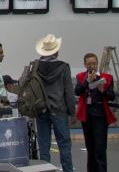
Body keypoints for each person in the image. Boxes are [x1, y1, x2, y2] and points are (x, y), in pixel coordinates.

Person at [33, 34, 76, 172]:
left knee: (44, 145)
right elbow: (68, 92)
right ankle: (67, 170)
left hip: (41, 109)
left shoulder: (36, 66)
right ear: (56, 51)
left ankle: (45, 170)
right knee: (64, 144)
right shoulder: (64, 67)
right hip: (59, 109)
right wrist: (72, 112)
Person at [75, 52, 116, 172]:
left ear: (97, 64)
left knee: (100, 147)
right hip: (87, 116)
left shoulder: (107, 78)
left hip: (100, 116)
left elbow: (112, 96)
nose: (92, 66)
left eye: (94, 63)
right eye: (89, 64)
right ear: (85, 65)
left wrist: (102, 89)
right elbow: (77, 91)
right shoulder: (80, 77)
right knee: (90, 148)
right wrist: (87, 81)